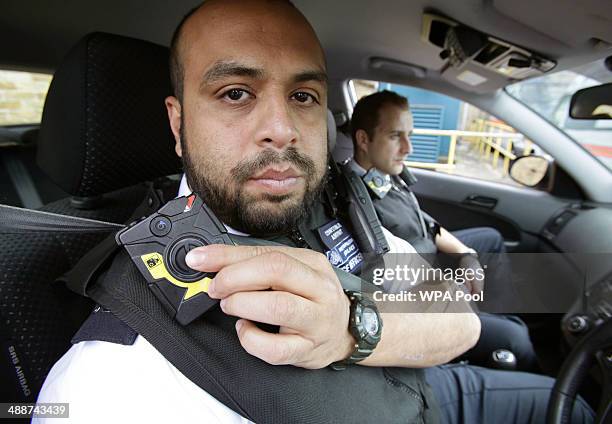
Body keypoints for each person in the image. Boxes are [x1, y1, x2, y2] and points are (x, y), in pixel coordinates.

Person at [35, 1, 593, 423]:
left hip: (422, 392)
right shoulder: (106, 384)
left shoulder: (333, 200)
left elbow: (458, 317)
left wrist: (356, 329)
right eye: (235, 93)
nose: (281, 127)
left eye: (303, 96)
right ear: (178, 124)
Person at [348, 90, 539, 372]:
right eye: (395, 136)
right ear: (363, 140)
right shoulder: (358, 200)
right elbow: (391, 281)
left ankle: (493, 315)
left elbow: (428, 224)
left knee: (491, 239)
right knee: (516, 339)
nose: (408, 148)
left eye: (409, 135)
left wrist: (465, 253)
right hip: (420, 287)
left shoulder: (388, 177)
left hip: (433, 261)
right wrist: (451, 287)